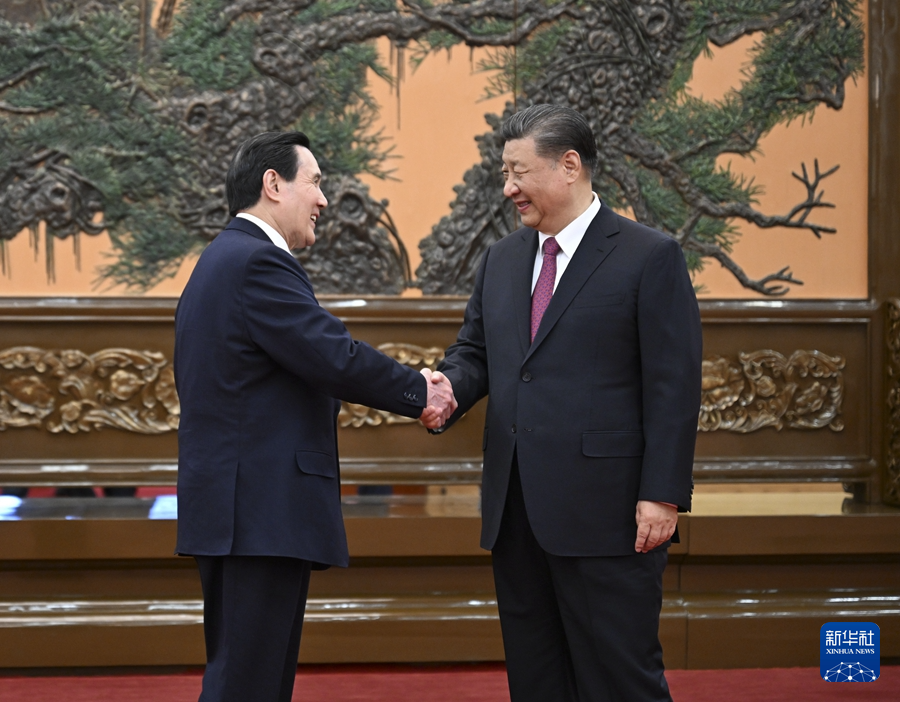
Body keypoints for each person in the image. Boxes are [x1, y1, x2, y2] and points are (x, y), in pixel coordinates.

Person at [429, 105, 702, 702]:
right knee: (537, 680)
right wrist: (446, 388)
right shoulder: (501, 259)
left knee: (620, 679)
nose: (508, 188)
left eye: (518, 172)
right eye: (504, 173)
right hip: (516, 513)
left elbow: (673, 386)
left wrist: (662, 494)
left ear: (569, 166)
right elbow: (475, 351)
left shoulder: (648, 255)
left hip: (610, 516)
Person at [174, 131, 456, 702]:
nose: (324, 199)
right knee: (247, 684)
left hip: (241, 510)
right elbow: (332, 356)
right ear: (273, 185)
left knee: (249, 677)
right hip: (258, 513)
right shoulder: (257, 261)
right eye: (316, 182)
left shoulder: (222, 259)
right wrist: (419, 391)